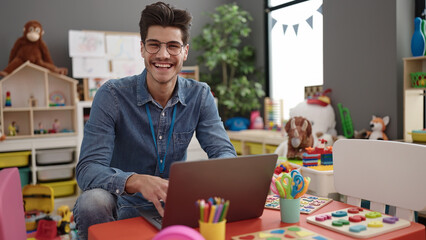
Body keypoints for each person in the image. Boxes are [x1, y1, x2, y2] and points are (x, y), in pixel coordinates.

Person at [73, 2, 236, 239]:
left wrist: (204, 179)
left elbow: (224, 153)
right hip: (121, 203)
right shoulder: (111, 95)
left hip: (175, 205)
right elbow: (88, 170)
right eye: (154, 45)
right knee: (91, 201)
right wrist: (136, 181)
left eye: (173, 46)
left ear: (185, 52)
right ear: (142, 49)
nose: (163, 54)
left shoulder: (200, 95)